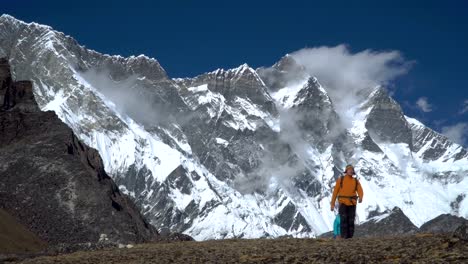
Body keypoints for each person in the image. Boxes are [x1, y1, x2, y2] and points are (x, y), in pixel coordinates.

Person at [330, 165, 363, 239]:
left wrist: (361, 197)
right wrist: (332, 204)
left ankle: (350, 237)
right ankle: (344, 237)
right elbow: (335, 192)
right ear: (346, 171)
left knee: (351, 220)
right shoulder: (340, 180)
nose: (350, 171)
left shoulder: (355, 181)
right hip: (343, 203)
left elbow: (360, 190)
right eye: (349, 169)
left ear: (353, 171)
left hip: (352, 203)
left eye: (352, 169)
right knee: (343, 220)